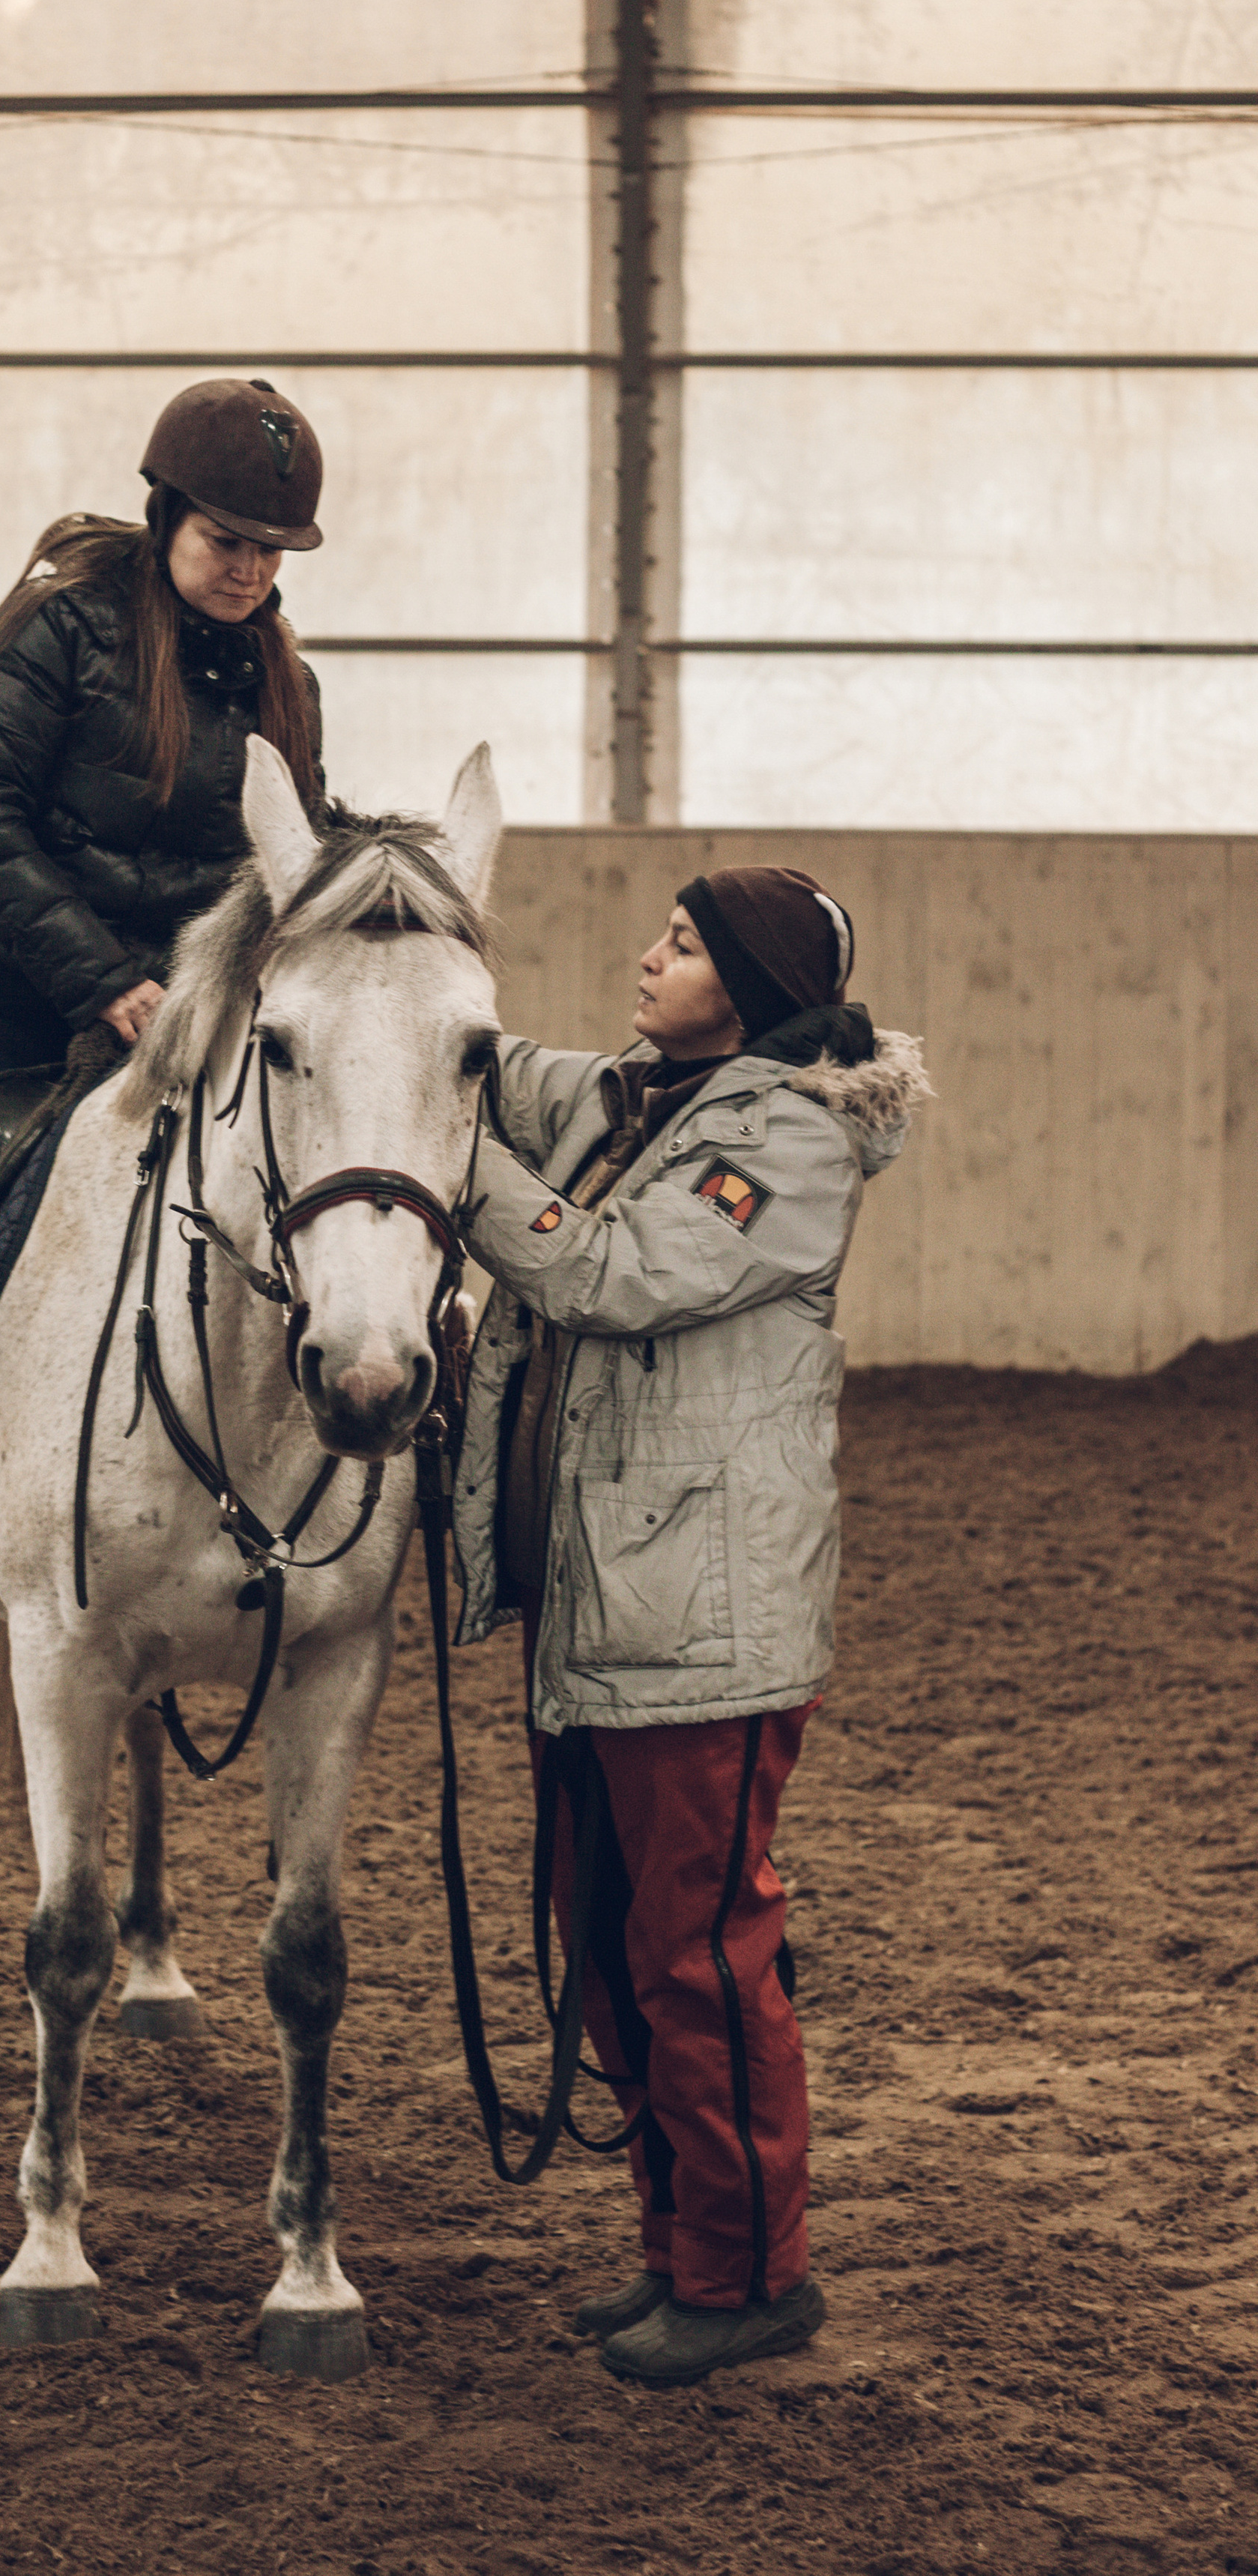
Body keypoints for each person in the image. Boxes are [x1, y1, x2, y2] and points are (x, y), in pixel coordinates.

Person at [450, 866, 930, 2386]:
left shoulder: (785, 1136)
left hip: (699, 1624)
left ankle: (747, 2279)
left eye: (676, 944)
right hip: (612, 1603)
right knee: (612, 1949)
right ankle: (678, 2255)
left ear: (746, 981)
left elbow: (612, 1271)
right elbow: (494, 1062)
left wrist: (447, 1169)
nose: (642, 959)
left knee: (700, 1957)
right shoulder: (645, 1096)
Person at [0, 378, 327, 1606]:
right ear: (168, 514)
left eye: (273, 550)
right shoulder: (64, 627)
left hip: (198, 1002)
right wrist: (101, 979)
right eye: (229, 541)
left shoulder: (282, 678)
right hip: (25, 989)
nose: (250, 570)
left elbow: (287, 838)